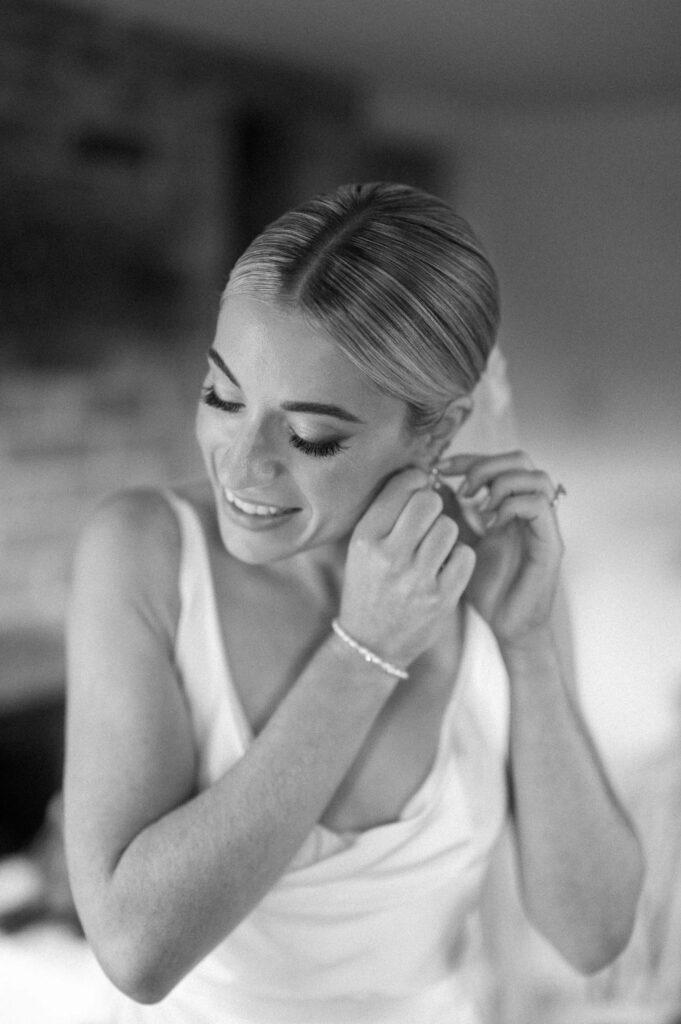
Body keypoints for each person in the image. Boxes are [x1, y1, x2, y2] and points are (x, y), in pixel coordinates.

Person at [63, 182, 643, 1024]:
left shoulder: (498, 575)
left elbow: (592, 933)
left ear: (437, 432)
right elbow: (137, 952)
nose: (242, 464)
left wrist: (525, 646)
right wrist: (362, 650)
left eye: (309, 437)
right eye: (222, 396)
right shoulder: (143, 552)